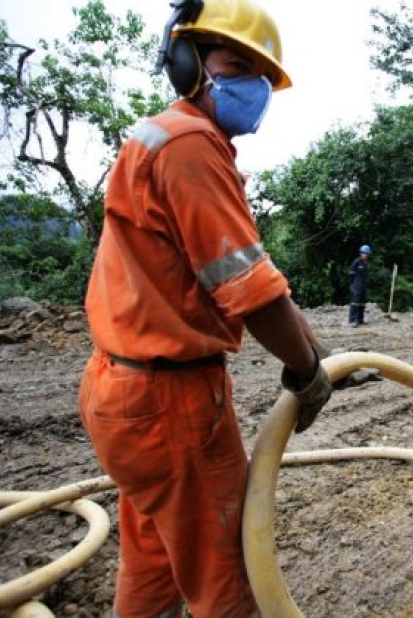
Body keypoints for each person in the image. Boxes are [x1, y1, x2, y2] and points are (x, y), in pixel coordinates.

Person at [77, 1, 333, 615]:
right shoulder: (192, 145)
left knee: (156, 555)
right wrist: (306, 372)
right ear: (187, 61)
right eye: (236, 64)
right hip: (172, 405)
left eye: (263, 79)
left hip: (123, 393)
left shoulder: (164, 135)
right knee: (227, 567)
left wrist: (316, 343)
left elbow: (250, 275)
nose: (254, 88)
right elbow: (249, 293)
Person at [348, 244, 372, 327]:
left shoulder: (367, 264)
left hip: (363, 286)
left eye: (367, 253)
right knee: (355, 303)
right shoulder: (356, 262)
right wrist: (352, 284)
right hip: (356, 285)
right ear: (361, 253)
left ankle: (360, 319)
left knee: (362, 303)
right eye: (363, 253)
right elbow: (351, 273)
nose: (365, 255)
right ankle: (352, 320)